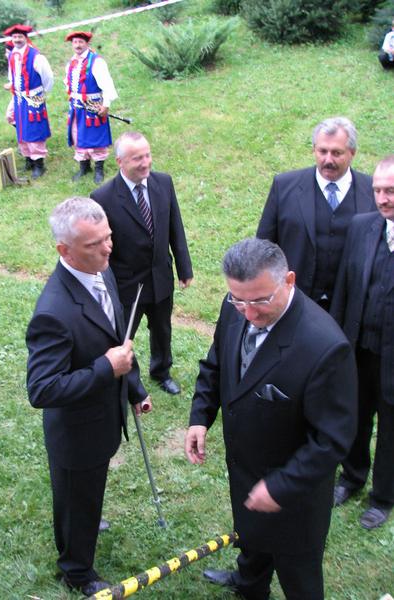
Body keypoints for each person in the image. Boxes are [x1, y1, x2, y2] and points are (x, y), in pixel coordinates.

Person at [185, 237, 357, 600]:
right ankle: (249, 585)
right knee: (251, 547)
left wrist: (280, 486)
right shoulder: (235, 307)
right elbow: (216, 365)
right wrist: (200, 416)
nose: (248, 314)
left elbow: (332, 440)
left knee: (299, 579)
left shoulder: (324, 347)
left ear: (288, 281)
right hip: (246, 477)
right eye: (238, 300)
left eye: (261, 301)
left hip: (294, 501)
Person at [26, 196, 151, 596]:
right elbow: (42, 389)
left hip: (101, 421)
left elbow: (116, 337)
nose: (108, 249)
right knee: (75, 496)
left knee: (86, 494)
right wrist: (106, 369)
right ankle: (76, 570)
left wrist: (134, 387)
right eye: (94, 244)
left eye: (108, 237)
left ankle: (86, 521)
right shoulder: (53, 312)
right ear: (64, 251)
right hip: (76, 434)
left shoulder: (100, 271)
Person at [91, 131, 193, 395]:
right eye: (137, 158)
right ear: (120, 161)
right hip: (126, 284)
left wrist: (184, 267)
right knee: (124, 336)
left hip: (160, 278)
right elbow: (101, 246)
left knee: (162, 330)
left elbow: (175, 226)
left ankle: (161, 371)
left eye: (147, 155)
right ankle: (130, 382)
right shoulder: (102, 198)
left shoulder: (163, 183)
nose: (145, 162)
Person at [330, 155, 394, 530]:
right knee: (355, 416)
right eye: (378, 190)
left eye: (391, 191)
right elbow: (344, 287)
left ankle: (383, 496)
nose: (382, 199)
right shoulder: (361, 226)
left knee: (391, 428)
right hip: (359, 349)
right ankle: (351, 477)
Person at [256, 116, 375, 311]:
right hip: (295, 301)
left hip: (351, 306)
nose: (328, 160)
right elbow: (263, 246)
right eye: (322, 151)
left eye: (336, 153)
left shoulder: (373, 191)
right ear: (314, 149)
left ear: (352, 152)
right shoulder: (284, 186)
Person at [64, 31, 118, 184]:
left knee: (95, 135)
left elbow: (107, 84)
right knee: (77, 134)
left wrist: (106, 104)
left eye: (81, 42)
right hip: (76, 107)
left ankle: (99, 168)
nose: (77, 45)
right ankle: (84, 166)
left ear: (87, 44)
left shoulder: (96, 62)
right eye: (75, 42)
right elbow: (67, 82)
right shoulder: (71, 63)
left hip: (93, 106)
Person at [4, 24, 53, 178]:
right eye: (14, 37)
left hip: (33, 97)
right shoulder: (12, 55)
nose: (17, 40)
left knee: (34, 128)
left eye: (20, 37)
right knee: (21, 126)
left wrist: (40, 93)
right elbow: (12, 75)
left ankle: (39, 164)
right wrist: (12, 85)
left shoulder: (36, 57)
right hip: (18, 97)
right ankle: (28, 159)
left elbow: (48, 77)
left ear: (25, 38)